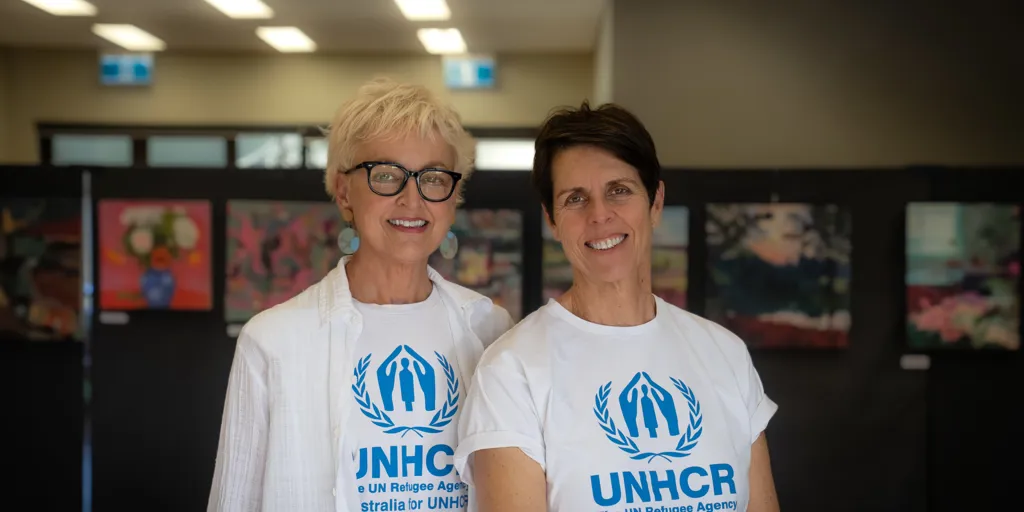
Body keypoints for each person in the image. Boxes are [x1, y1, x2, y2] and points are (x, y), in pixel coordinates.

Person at [454, 102, 781, 512]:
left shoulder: (725, 354)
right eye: (575, 198)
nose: (600, 215)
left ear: (656, 202)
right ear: (551, 220)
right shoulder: (511, 372)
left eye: (619, 190)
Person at [207, 78, 514, 512]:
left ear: (453, 197)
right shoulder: (273, 341)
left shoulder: (491, 331)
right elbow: (233, 503)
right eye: (387, 175)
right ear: (344, 190)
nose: (413, 199)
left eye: (433, 177)